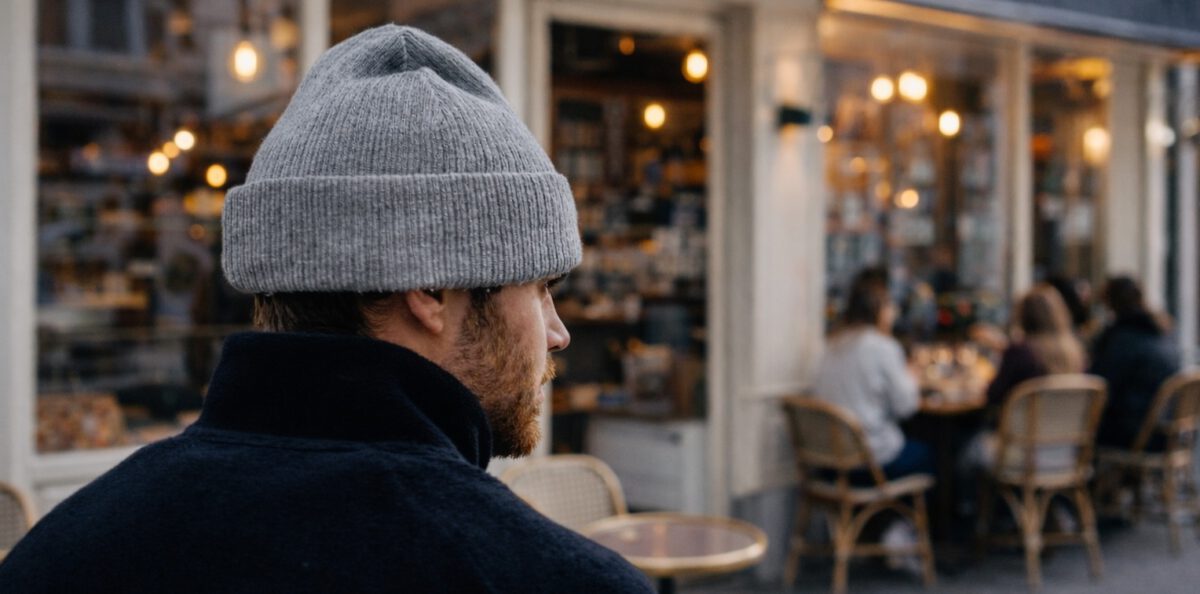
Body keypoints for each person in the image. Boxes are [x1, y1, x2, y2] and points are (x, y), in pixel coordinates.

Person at [0, 26, 651, 593]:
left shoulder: (61, 555)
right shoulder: (547, 579)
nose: (558, 333)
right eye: (539, 288)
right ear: (430, 287)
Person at [813, 272, 932, 481]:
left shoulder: (831, 344)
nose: (894, 312)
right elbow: (907, 406)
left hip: (828, 461)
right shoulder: (882, 347)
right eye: (890, 306)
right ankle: (899, 513)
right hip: (869, 463)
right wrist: (911, 376)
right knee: (930, 453)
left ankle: (880, 513)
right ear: (880, 311)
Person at [1090, 276, 1181, 450]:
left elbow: (1101, 385)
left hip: (1138, 434)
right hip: (1166, 432)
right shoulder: (1162, 333)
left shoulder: (1122, 338)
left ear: (1110, 303)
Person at [983, 284, 1087, 417]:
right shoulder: (1074, 352)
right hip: (1068, 433)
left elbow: (994, 395)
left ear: (1023, 317)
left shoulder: (1020, 352)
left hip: (1022, 433)